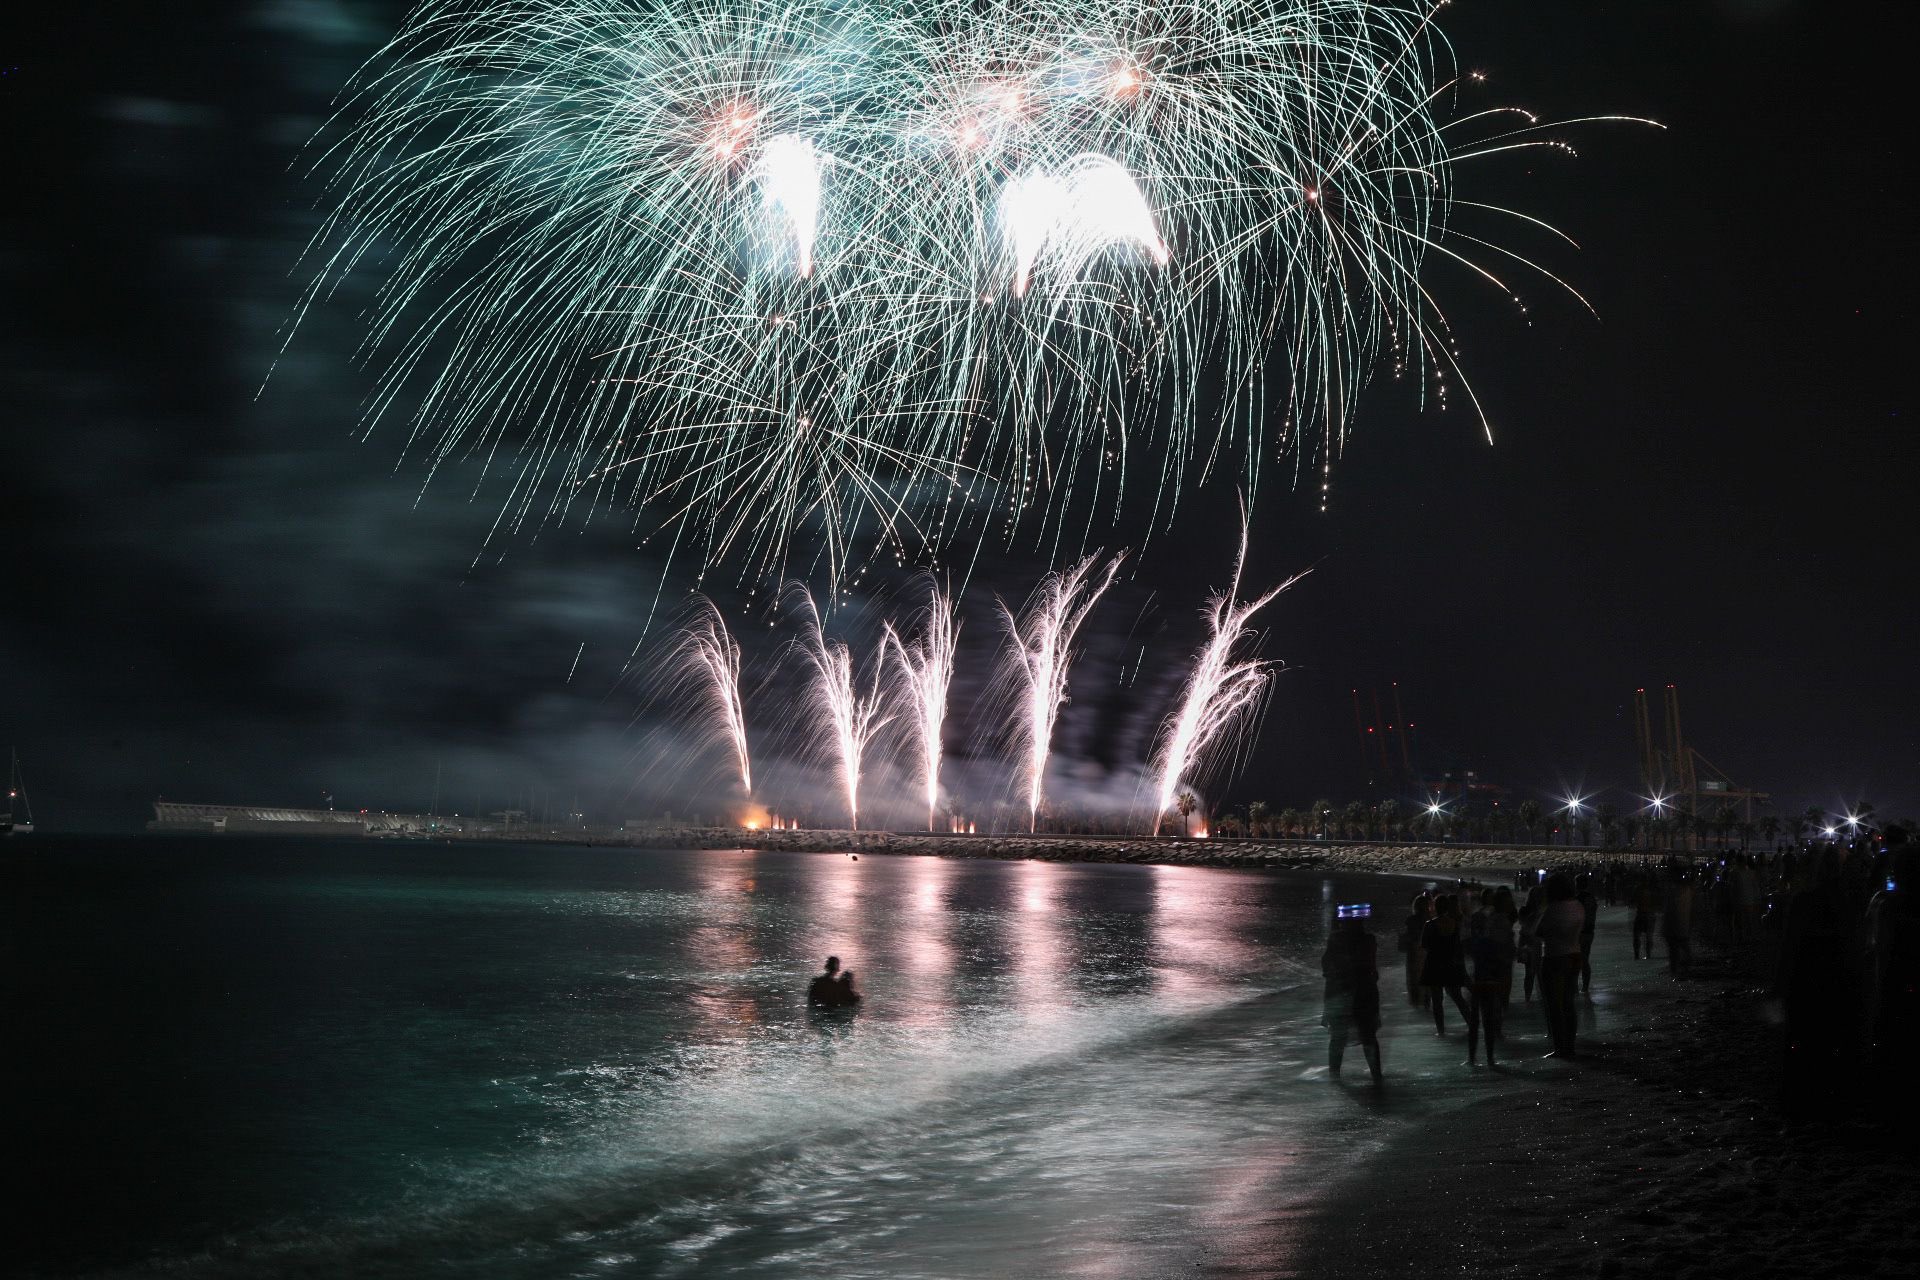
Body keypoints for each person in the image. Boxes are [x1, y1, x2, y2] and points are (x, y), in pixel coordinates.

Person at [1322, 905, 1383, 1082]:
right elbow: (1372, 968)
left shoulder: (1336, 939)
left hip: (1341, 992)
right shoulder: (1369, 940)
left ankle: (1334, 1076)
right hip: (1366, 992)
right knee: (1368, 1036)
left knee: (1338, 1037)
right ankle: (1376, 1075)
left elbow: (1326, 966)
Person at [1537, 873, 1585, 1057]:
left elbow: (1539, 931)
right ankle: (1570, 1046)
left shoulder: (1553, 908)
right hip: (1575, 955)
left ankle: (1559, 1047)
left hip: (1555, 957)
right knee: (1569, 1003)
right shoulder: (1578, 906)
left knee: (1554, 1006)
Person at [1467, 888, 1517, 1066]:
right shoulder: (1500, 921)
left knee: (1476, 1018)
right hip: (1492, 972)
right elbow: (1500, 947)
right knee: (1488, 1016)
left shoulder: (1485, 918)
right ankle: (1489, 1057)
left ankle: (1473, 1058)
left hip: (1480, 971)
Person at [1420, 894, 1472, 1037]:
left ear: (1435, 908)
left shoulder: (1429, 925)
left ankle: (1441, 1032)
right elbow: (1457, 946)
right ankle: (1472, 1024)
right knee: (1457, 997)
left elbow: (1424, 945)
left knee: (1437, 1001)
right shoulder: (1454, 924)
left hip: (1434, 964)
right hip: (1450, 964)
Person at [1400, 892, 1431, 1008]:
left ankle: (1417, 1005)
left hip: (1414, 954)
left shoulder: (1411, 920)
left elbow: (1408, 938)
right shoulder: (1430, 920)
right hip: (1427, 954)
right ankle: (1427, 1005)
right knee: (1427, 984)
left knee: (1414, 982)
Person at [1662, 871, 1695, 978]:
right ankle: (1684, 970)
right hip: (1682, 926)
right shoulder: (1688, 891)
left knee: (1674, 951)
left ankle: (1675, 972)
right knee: (1685, 950)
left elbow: (1667, 910)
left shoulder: (1671, 891)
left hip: (1672, 927)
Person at [1516, 885, 1545, 1001]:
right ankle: (1531, 997)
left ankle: (1530, 997)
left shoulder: (1526, 910)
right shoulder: (1528, 911)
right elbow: (1524, 924)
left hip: (1532, 942)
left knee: (1534, 973)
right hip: (1531, 942)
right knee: (1532, 972)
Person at [1576, 873, 1600, 995]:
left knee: (1576, 960)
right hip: (1589, 931)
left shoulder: (1578, 898)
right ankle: (1585, 987)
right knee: (1585, 959)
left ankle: (1576, 987)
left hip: (1579, 932)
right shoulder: (1591, 898)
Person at [1631, 874, 1659, 961]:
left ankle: (1637, 955)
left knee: (1637, 936)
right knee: (1649, 936)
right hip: (1650, 914)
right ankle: (1648, 954)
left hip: (1641, 914)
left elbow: (1633, 901)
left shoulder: (1638, 889)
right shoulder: (1652, 890)